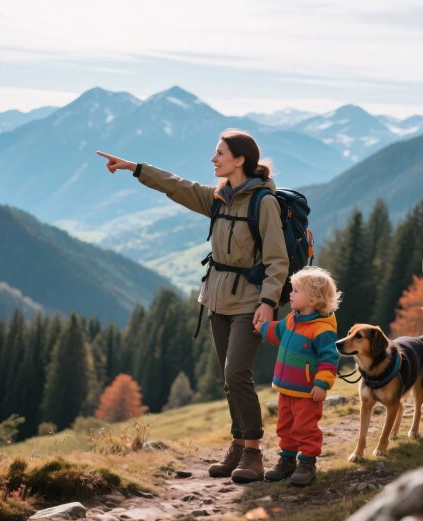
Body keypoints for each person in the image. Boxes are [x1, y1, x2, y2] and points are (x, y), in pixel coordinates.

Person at [98, 129, 289, 483]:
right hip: (217, 299)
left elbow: (278, 261)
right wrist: (135, 168)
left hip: (250, 302)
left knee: (237, 374)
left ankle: (253, 452)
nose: (213, 159)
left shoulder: (264, 203)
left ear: (239, 160)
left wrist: (267, 301)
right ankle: (236, 445)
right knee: (228, 379)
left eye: (219, 153)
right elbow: (176, 185)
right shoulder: (218, 197)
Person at [255, 266, 342, 486]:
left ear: (312, 299)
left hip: (306, 393)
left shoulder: (322, 330)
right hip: (286, 389)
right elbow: (278, 331)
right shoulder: (293, 319)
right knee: (285, 426)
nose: (290, 294)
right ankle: (287, 461)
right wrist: (262, 327)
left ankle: (307, 463)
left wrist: (322, 384)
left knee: (305, 428)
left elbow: (329, 359)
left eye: (295, 291)